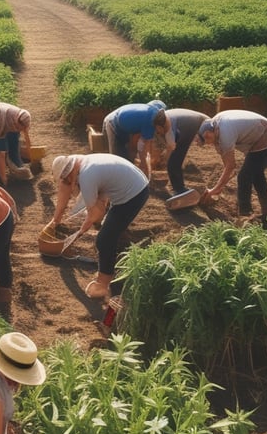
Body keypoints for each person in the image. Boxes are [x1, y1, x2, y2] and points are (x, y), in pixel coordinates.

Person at [47, 153, 149, 299]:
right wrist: (55, 220)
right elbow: (98, 204)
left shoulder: (87, 176)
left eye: (67, 179)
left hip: (133, 195)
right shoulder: (81, 161)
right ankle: (120, 255)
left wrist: (81, 231)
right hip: (133, 183)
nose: (69, 183)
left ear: (69, 174)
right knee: (112, 228)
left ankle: (102, 284)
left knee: (104, 240)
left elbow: (96, 213)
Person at [198, 110, 267, 227]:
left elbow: (231, 166)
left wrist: (216, 189)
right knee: (256, 174)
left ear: (207, 133)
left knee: (244, 176)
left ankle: (245, 216)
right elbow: (227, 164)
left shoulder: (225, 133)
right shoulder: (216, 127)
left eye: (207, 141)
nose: (209, 144)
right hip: (258, 135)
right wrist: (219, 187)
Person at [102, 102, 171, 177]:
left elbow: (145, 145)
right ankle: (116, 183)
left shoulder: (157, 115)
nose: (161, 134)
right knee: (119, 161)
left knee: (127, 158)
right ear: (159, 127)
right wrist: (145, 166)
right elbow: (143, 148)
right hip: (113, 122)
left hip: (125, 125)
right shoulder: (149, 122)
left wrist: (146, 162)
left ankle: (128, 176)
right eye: (162, 132)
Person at [158, 108, 211, 195]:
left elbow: (171, 147)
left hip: (194, 123)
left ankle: (179, 189)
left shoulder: (169, 126)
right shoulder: (164, 119)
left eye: (158, 130)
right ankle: (178, 187)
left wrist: (165, 160)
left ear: (160, 126)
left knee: (174, 160)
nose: (158, 132)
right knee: (175, 156)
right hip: (195, 121)